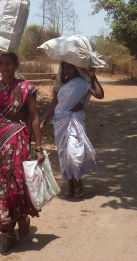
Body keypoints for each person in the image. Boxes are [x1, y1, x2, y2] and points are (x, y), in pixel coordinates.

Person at [0, 52, 45, 253]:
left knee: (17, 184)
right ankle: (10, 233)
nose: (5, 67)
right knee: (2, 186)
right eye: (1, 63)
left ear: (16, 65)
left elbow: (34, 118)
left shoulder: (25, 88)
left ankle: (22, 218)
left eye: (8, 63)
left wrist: (39, 147)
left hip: (19, 141)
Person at [40, 61, 104, 199]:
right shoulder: (60, 85)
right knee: (63, 154)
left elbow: (99, 95)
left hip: (75, 121)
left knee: (73, 152)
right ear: (62, 70)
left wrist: (93, 77)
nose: (68, 71)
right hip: (60, 122)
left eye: (70, 68)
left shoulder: (82, 82)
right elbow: (53, 104)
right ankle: (72, 187)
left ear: (76, 68)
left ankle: (77, 179)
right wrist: (44, 121)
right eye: (65, 68)